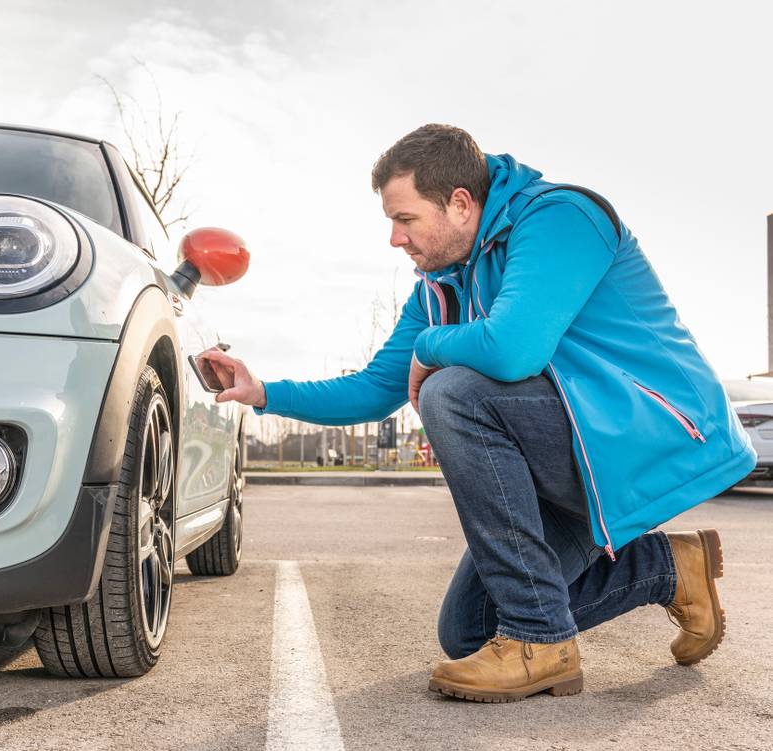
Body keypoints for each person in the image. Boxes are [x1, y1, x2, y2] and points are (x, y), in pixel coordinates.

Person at [201, 124, 756, 703]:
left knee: (453, 392)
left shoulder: (562, 217)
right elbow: (374, 389)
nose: (394, 238)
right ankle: (670, 568)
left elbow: (514, 349)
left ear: (461, 203)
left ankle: (541, 642)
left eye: (405, 218)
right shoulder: (441, 287)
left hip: (647, 437)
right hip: (572, 459)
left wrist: (430, 350)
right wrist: (264, 390)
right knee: (467, 633)